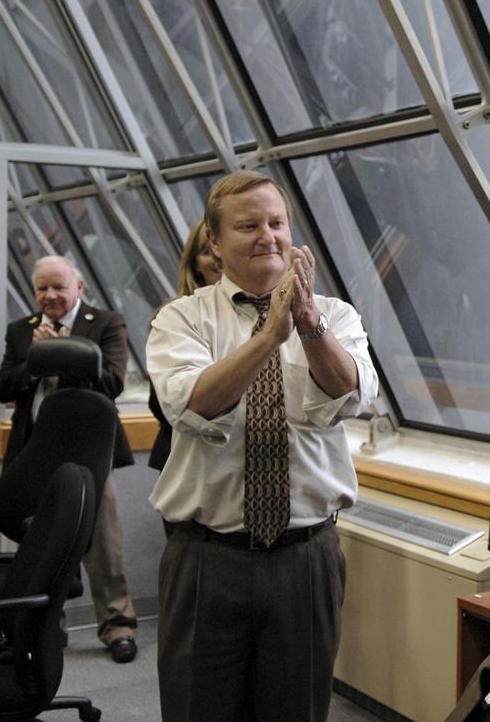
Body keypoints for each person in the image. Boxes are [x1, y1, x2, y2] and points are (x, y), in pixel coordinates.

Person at [148, 172, 378, 722]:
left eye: (277, 224)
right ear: (214, 241)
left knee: (296, 710)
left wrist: (306, 325)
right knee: (196, 709)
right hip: (207, 560)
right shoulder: (182, 317)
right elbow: (192, 403)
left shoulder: (336, 315)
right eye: (249, 225)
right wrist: (267, 338)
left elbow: (351, 392)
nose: (267, 237)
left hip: (306, 558)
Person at [0, 255, 140, 663]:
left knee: (104, 545)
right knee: (39, 545)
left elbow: (112, 381)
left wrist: (62, 353)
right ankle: (46, 628)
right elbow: (2, 385)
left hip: (90, 453)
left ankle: (118, 626)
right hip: (35, 454)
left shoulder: (105, 322)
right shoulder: (21, 331)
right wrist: (34, 362)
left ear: (79, 287)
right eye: (42, 288)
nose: (51, 296)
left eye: (59, 287)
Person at [147, 221, 222, 478]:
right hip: (185, 459)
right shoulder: (172, 318)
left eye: (221, 249)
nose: (217, 259)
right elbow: (160, 402)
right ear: (195, 263)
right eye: (207, 252)